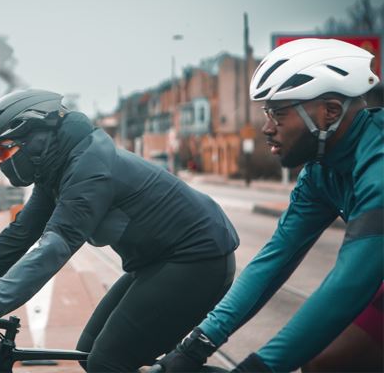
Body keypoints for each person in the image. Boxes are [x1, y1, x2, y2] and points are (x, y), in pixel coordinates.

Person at [0, 89, 240, 372]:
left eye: (2, 151)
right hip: (156, 261)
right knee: (89, 355)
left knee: (108, 362)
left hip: (199, 259)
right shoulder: (55, 168)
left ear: (34, 140)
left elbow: (51, 251)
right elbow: (19, 236)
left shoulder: (89, 170)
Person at [158, 39, 382, 373]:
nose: (267, 127)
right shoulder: (320, 173)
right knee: (321, 362)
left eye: (279, 113)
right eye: (267, 112)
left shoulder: (378, 166)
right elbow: (274, 259)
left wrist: (259, 367)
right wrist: (197, 345)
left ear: (330, 111)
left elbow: (350, 282)